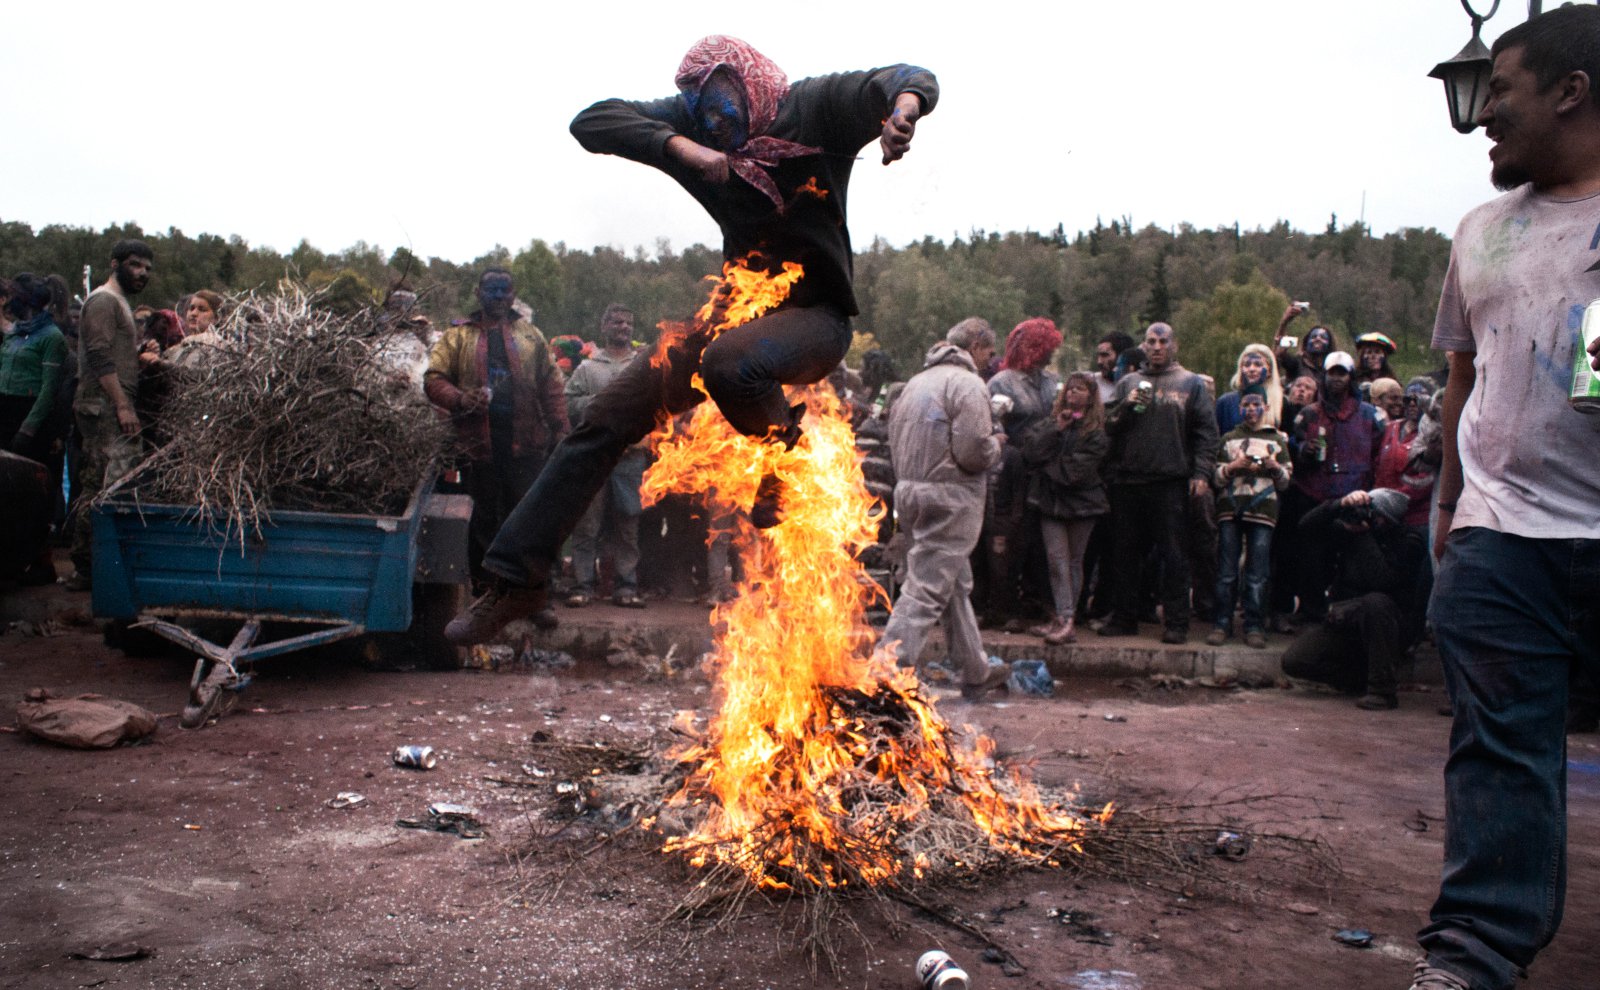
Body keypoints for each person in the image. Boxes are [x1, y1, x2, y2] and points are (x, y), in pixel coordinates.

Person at [446, 36, 937, 643]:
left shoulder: (812, 107)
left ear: (751, 87)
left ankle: (785, 454)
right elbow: (592, 121)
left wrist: (903, 112)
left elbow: (905, 75)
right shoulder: (691, 124)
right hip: (732, 313)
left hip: (816, 320)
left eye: (725, 117)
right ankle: (517, 579)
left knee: (729, 363)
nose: (718, 132)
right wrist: (682, 147)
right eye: (705, 121)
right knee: (605, 419)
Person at [1410, 8, 1600, 989]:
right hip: (1499, 536)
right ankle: (1475, 952)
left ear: (1571, 93)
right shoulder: (1480, 233)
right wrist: (1447, 508)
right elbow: (1459, 379)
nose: (1482, 115)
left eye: (1504, 94)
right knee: (1497, 751)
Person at [874, 318, 1007, 700]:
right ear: (977, 344)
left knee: (954, 584)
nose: (989, 361)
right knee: (929, 586)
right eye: (989, 352)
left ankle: (974, 669)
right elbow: (972, 451)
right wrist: (997, 444)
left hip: (911, 492)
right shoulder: (967, 384)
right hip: (951, 497)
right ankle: (885, 671)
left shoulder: (915, 384)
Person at [424, 268, 569, 590]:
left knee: (529, 517)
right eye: (492, 290)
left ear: (514, 294)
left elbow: (551, 385)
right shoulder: (458, 336)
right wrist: (460, 399)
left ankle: (531, 593)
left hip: (526, 444)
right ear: (478, 293)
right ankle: (484, 591)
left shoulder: (531, 335)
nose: (500, 296)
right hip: (475, 445)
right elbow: (433, 378)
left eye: (505, 290)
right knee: (482, 519)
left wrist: (561, 430)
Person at [1097, 321, 1218, 644]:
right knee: (1125, 553)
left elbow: (1206, 434)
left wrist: (1201, 474)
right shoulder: (1128, 382)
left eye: (1163, 341)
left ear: (1173, 345)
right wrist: (1126, 406)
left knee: (1174, 555)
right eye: (1151, 341)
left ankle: (1177, 622)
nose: (1156, 347)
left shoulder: (1191, 384)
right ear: (1144, 346)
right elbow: (1107, 427)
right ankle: (1124, 617)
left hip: (1170, 480)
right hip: (1128, 480)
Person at [1279, 488, 1427, 710]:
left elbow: (1382, 580)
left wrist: (1363, 536)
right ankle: (1359, 680)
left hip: (1388, 627)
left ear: (1386, 519)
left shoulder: (1408, 540)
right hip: (1346, 620)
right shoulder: (1349, 531)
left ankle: (1382, 691)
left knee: (1376, 602)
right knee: (1296, 660)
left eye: (1371, 512)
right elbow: (1306, 527)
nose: (1365, 516)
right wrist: (1338, 504)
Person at [67, 239, 153, 590]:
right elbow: (99, 356)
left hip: (107, 403)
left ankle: (89, 566)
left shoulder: (118, 303)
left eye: (147, 268)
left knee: (101, 482)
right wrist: (122, 404)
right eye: (134, 265)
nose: (142, 273)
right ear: (114, 263)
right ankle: (88, 567)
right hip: (103, 405)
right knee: (111, 484)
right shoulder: (103, 300)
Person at [1281, 350, 1382, 623]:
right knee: (1311, 559)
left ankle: (1345, 615)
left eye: (1342, 373)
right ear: (1324, 376)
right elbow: (1291, 453)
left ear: (1350, 378)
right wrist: (1304, 451)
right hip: (1314, 496)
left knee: (1350, 562)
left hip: (1354, 496)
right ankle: (1311, 613)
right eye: (1332, 373)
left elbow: (1377, 456)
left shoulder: (1369, 416)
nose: (1336, 379)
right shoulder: (1308, 415)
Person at [563, 303, 649, 609]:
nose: (622, 327)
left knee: (628, 522)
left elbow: (655, 406)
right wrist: (599, 401)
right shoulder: (588, 368)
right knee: (587, 524)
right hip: (595, 456)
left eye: (627, 323)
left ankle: (626, 587)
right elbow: (569, 404)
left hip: (630, 458)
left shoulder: (642, 366)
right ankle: (582, 585)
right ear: (604, 327)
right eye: (616, 322)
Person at [1019, 371, 1108, 645]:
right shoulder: (1052, 422)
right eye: (1070, 389)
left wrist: (1044, 466)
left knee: (1073, 561)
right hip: (1051, 503)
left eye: (1080, 390)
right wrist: (1055, 430)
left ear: (1091, 396)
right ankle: (1061, 616)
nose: (1072, 394)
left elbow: (1074, 472)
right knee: (1056, 560)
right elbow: (1029, 451)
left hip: (1082, 504)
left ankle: (1068, 618)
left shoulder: (1096, 434)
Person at [985, 317, 1063, 624]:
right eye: (1046, 348)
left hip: (1045, 469)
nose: (1050, 354)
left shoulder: (1050, 381)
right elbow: (992, 426)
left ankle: (1036, 599)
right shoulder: (1001, 383)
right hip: (1012, 470)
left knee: (1040, 541)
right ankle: (1005, 605)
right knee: (1011, 537)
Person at [1206, 391, 1292, 648]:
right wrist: (1234, 467)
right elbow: (1216, 477)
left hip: (1263, 511)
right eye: (1246, 405)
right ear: (1239, 408)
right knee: (1226, 570)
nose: (1251, 409)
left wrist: (1273, 467)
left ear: (1265, 407)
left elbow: (1286, 481)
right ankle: (1222, 622)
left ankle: (1254, 624)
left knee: (1257, 572)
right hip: (1230, 509)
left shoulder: (1276, 440)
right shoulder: (1229, 439)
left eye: (1256, 405)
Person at [1215, 342, 1284, 436]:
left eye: (1258, 364)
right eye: (1247, 365)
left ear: (1269, 371)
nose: (1251, 369)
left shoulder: (1281, 402)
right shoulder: (1226, 402)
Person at [1093, 331, 1135, 405]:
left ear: (1122, 357)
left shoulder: (1137, 385)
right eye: (1098, 355)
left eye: (1105, 355)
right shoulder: (1091, 383)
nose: (1099, 362)